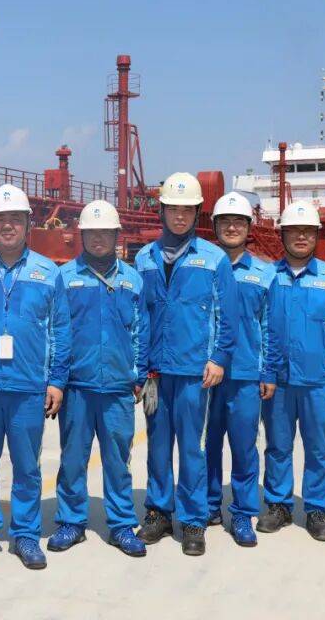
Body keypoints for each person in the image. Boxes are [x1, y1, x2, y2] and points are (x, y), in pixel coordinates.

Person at [0, 184, 71, 571]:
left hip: (28, 387)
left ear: (28, 224)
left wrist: (56, 381)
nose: (8, 225)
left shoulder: (48, 272)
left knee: (27, 468)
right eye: (1, 219)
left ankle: (25, 535)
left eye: (16, 219)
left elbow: (60, 330)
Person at [135, 173, 237, 556]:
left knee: (192, 447)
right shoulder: (144, 259)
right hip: (156, 371)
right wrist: (139, 368)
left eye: (187, 210)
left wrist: (219, 357)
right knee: (158, 446)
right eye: (173, 209)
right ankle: (159, 512)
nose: (180, 216)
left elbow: (227, 316)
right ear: (162, 211)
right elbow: (138, 316)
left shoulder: (213, 259)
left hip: (195, 371)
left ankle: (194, 520)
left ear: (197, 213)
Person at [48, 201, 147, 558]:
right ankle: (71, 521)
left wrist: (138, 374)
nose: (99, 238)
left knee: (118, 460)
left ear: (116, 235)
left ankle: (121, 524)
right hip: (77, 386)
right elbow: (55, 332)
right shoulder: (64, 278)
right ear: (82, 236)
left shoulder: (132, 279)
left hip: (118, 387)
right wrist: (57, 380)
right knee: (73, 458)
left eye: (105, 232)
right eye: (92, 233)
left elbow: (141, 331)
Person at [259, 200, 325, 542]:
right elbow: (259, 327)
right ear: (282, 235)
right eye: (294, 231)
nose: (301, 237)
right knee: (277, 446)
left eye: (308, 231)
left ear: (316, 236)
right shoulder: (267, 277)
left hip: (320, 381)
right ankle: (279, 505)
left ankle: (317, 509)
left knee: (319, 448)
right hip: (278, 381)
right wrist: (264, 372)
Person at [205, 192, 276, 547]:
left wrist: (268, 371)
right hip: (205, 373)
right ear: (215, 227)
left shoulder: (264, 273)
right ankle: (208, 505)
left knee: (245, 446)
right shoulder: (202, 267)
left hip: (246, 374)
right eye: (225, 222)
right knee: (206, 445)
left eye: (238, 222)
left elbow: (270, 327)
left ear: (248, 228)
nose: (231, 228)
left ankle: (244, 512)